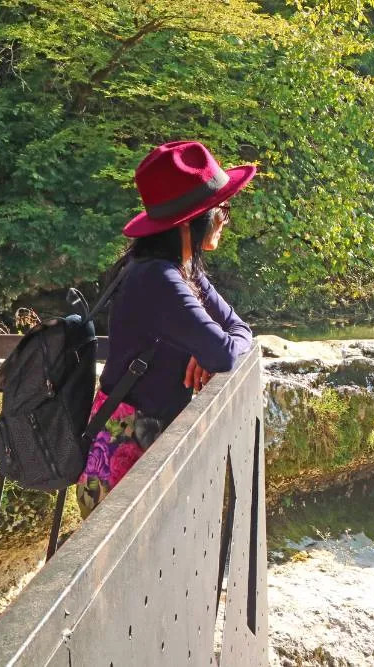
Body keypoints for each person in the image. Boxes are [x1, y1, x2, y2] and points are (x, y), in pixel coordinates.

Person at [75, 141, 256, 516]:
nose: (226, 219)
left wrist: (203, 351)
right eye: (223, 210)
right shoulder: (159, 278)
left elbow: (239, 330)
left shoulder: (181, 269)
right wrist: (210, 351)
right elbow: (224, 350)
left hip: (143, 442)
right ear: (194, 219)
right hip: (123, 453)